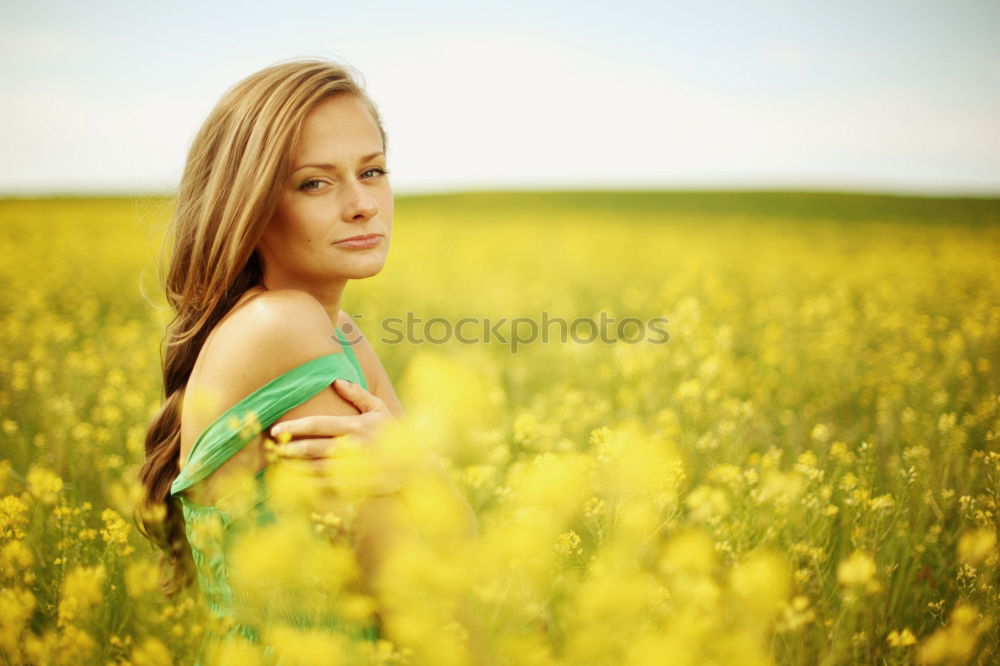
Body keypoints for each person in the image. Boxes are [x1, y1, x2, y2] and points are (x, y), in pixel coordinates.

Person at [135, 59, 478, 663]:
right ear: (253, 205)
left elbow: (458, 539)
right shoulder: (280, 328)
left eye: (372, 171)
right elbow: (427, 616)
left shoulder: (334, 330)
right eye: (315, 183)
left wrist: (412, 465)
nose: (362, 204)